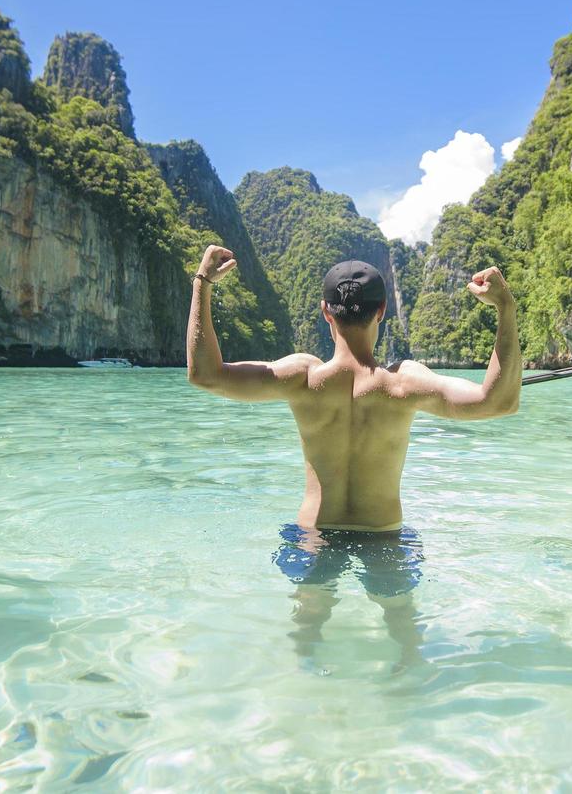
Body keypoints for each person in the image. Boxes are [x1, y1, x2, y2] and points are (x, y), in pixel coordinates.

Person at [186, 244, 521, 666]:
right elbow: (498, 402)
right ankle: (403, 692)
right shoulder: (403, 383)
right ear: (382, 311)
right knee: (404, 630)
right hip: (383, 536)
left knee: (306, 631)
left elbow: (205, 374)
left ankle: (304, 704)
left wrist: (202, 284)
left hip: (313, 537)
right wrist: (505, 309)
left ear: (326, 312)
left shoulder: (301, 377)